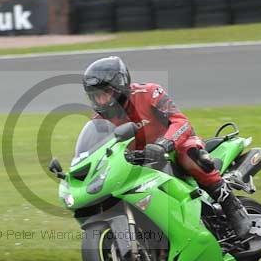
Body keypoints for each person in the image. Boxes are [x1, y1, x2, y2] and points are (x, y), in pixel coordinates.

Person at [82, 55, 252, 239]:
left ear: (120, 86)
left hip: (174, 147)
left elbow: (181, 122)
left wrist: (164, 144)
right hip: (139, 163)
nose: (101, 100)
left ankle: (232, 206)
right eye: (95, 96)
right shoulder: (99, 121)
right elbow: (99, 153)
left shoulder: (149, 93)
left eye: (104, 93)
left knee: (188, 153)